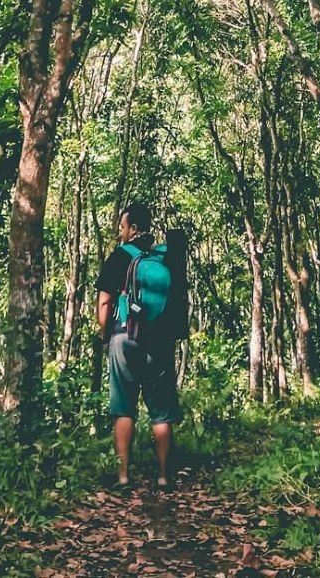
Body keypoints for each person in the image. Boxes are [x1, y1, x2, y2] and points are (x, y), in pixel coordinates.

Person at [95, 201, 182, 491]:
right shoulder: (164, 257)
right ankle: (163, 476)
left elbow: (105, 301)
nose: (119, 232)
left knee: (124, 408)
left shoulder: (119, 257)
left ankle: (123, 477)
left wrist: (104, 333)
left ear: (133, 228)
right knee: (161, 411)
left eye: (122, 227)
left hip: (124, 338)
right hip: (159, 339)